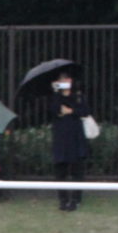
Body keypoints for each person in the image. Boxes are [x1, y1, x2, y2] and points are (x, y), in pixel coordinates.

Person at [48, 70, 90, 211]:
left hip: (75, 137)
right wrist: (56, 94)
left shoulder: (77, 96)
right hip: (61, 138)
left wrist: (71, 111)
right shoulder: (56, 97)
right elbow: (53, 111)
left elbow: (84, 111)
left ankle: (75, 199)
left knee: (77, 170)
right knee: (60, 170)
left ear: (71, 81)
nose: (64, 82)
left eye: (66, 80)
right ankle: (63, 199)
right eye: (61, 80)